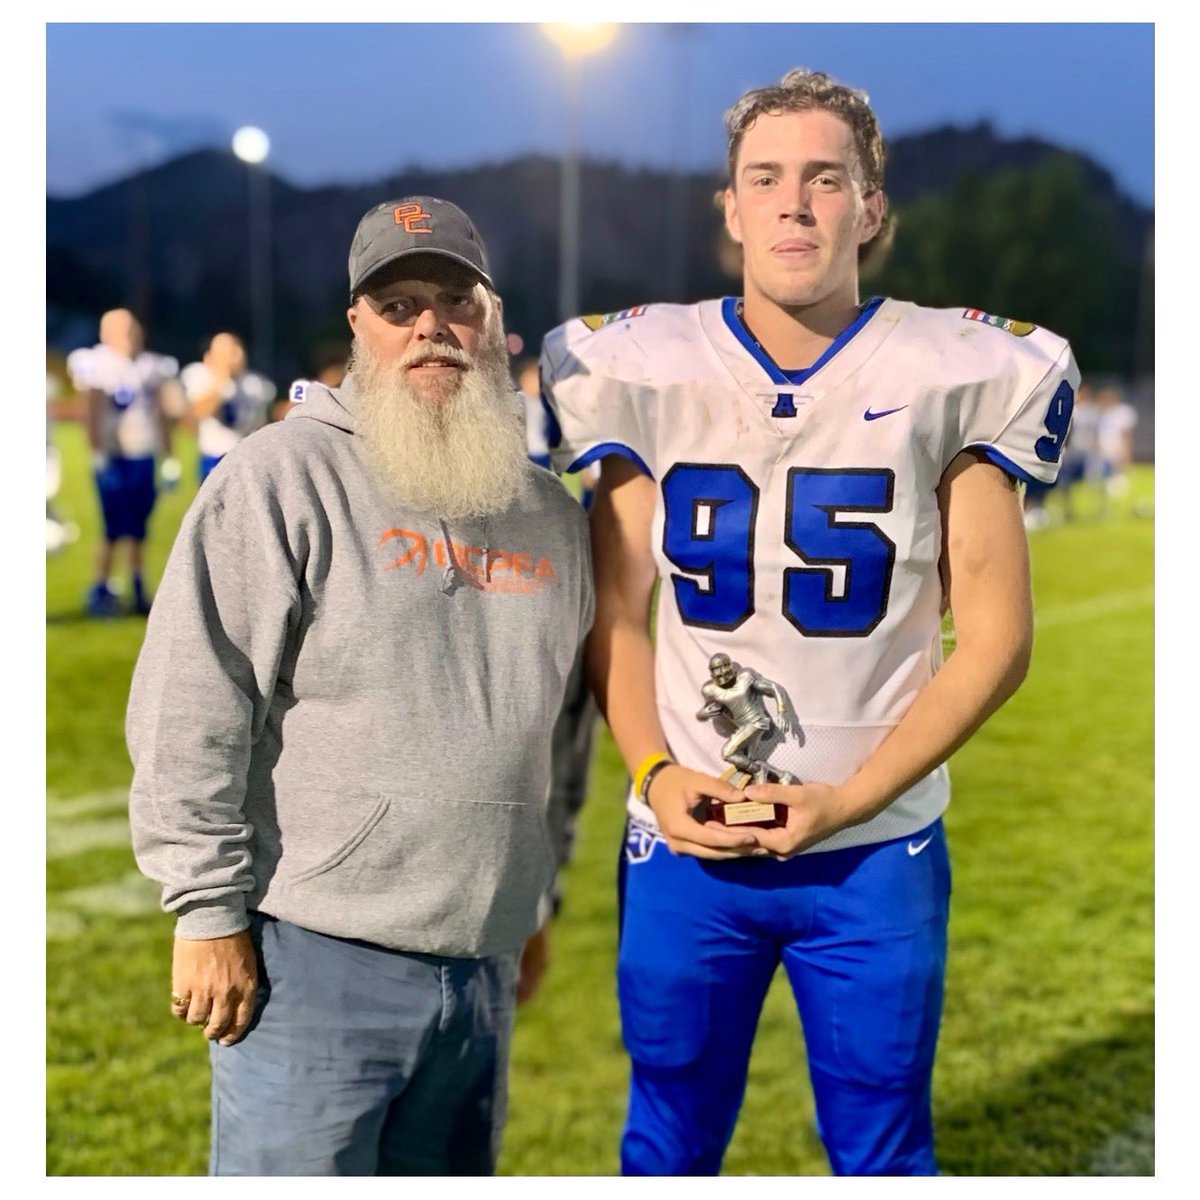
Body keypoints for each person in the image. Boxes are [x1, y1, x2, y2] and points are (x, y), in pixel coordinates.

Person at [541, 68, 1078, 1176]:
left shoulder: (961, 369)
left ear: (871, 208)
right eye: (766, 179)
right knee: (667, 1141)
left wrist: (846, 799)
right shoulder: (642, 366)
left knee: (883, 1150)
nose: (795, 204)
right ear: (731, 210)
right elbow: (622, 616)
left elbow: (998, 641)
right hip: (689, 847)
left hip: (874, 852)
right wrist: (651, 774)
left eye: (826, 180)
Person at [127, 195, 594, 1176]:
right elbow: (194, 699)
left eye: (455, 301)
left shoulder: (551, 513)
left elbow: (559, 731)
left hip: (482, 967)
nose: (431, 325)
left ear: (494, 320)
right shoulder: (283, 476)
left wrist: (536, 898)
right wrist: (207, 914)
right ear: (358, 326)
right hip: (314, 962)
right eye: (398, 303)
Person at [66, 308, 180, 615]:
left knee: (140, 526)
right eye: (120, 330)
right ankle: (101, 588)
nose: (129, 336)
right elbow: (91, 407)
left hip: (143, 456)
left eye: (132, 329)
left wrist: (169, 457)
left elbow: (162, 414)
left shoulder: (151, 365)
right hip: (114, 457)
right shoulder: (98, 363)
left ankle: (138, 586)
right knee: (113, 527)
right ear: (106, 333)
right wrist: (97, 451)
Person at [180, 332, 275, 483]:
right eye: (226, 351)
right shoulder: (201, 375)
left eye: (236, 349)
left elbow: (262, 425)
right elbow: (199, 412)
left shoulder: (256, 384)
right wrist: (223, 378)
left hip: (248, 456)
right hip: (215, 456)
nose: (234, 356)